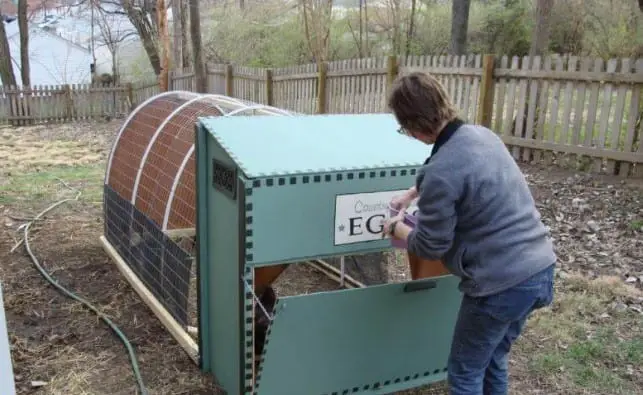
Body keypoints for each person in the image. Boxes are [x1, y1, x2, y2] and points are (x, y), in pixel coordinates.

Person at [382, 71, 556, 395]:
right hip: (539, 269)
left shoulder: (442, 171)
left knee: (464, 372)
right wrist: (413, 192)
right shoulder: (482, 135)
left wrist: (397, 228)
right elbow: (460, 169)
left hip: (499, 285)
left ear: (413, 126)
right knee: (492, 359)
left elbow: (431, 245)